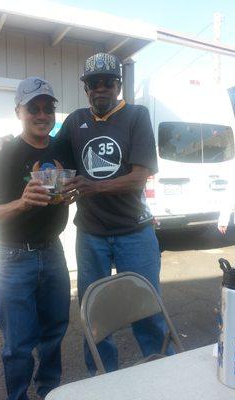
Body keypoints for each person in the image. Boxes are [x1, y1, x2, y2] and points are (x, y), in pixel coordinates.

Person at [55, 52, 171, 374]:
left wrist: (92, 187)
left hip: (135, 233)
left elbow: (139, 177)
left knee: (148, 310)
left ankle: (163, 372)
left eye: (107, 82)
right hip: (91, 235)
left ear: (118, 85)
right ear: (86, 89)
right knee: (95, 316)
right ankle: (101, 381)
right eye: (94, 83)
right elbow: (52, 155)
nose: (100, 89)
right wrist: (16, 146)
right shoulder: (75, 121)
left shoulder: (136, 116)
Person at [0, 77, 75, 400]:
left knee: (54, 333)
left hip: (53, 251)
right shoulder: (5, 153)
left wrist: (71, 193)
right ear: (18, 112)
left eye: (47, 108)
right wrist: (22, 202)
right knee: (18, 345)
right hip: (13, 257)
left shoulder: (61, 147)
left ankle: (49, 391)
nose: (41, 114)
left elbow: (72, 185)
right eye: (32, 108)